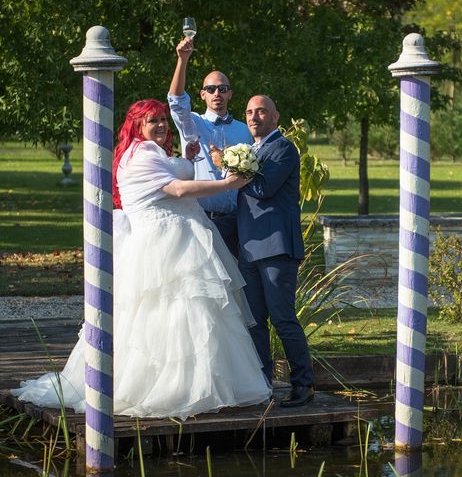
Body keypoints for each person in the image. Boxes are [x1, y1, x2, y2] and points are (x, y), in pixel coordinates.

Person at [12, 99, 271, 419]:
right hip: (165, 244)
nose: (161, 125)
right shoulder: (143, 153)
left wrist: (184, 158)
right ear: (137, 124)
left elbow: (169, 178)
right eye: (153, 120)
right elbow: (176, 190)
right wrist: (227, 183)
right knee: (171, 312)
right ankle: (177, 387)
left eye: (163, 119)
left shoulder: (145, 151)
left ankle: (201, 385)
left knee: (191, 314)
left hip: (175, 237)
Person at [237, 95, 315, 407]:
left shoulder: (282, 148)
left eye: (261, 111)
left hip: (276, 248)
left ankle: (303, 385)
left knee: (282, 319)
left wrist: (233, 173)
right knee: (255, 322)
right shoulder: (251, 151)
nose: (254, 117)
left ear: (275, 116)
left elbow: (263, 188)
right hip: (250, 249)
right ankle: (262, 385)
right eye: (250, 112)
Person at [168, 37, 252, 257]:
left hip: (237, 221)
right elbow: (176, 102)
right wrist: (182, 60)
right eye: (211, 89)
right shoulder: (193, 124)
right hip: (202, 218)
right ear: (203, 94)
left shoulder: (245, 130)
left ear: (230, 94)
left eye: (223, 89)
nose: (217, 93)